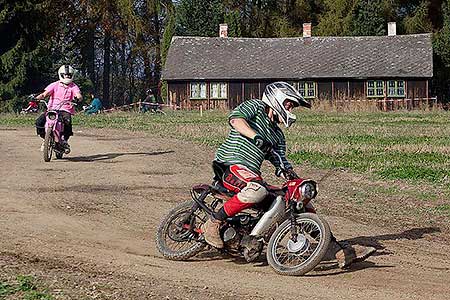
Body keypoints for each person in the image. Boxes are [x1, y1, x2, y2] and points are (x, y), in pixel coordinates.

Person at [202, 81, 376, 269]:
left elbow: (280, 160)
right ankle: (213, 223)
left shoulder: (277, 135)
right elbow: (236, 120)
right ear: (277, 98)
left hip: (251, 174)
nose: (291, 108)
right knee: (256, 190)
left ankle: (334, 249)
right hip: (229, 165)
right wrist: (256, 136)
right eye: (289, 103)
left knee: (293, 200)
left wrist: (291, 175)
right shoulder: (256, 106)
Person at [35, 65, 82, 152]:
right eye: (65, 75)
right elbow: (44, 94)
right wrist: (36, 99)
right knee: (39, 121)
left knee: (67, 122)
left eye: (69, 75)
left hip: (66, 109)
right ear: (61, 75)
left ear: (72, 75)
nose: (67, 76)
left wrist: (78, 98)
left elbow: (78, 95)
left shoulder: (73, 86)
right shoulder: (55, 85)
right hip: (52, 108)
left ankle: (64, 140)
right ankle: (45, 138)